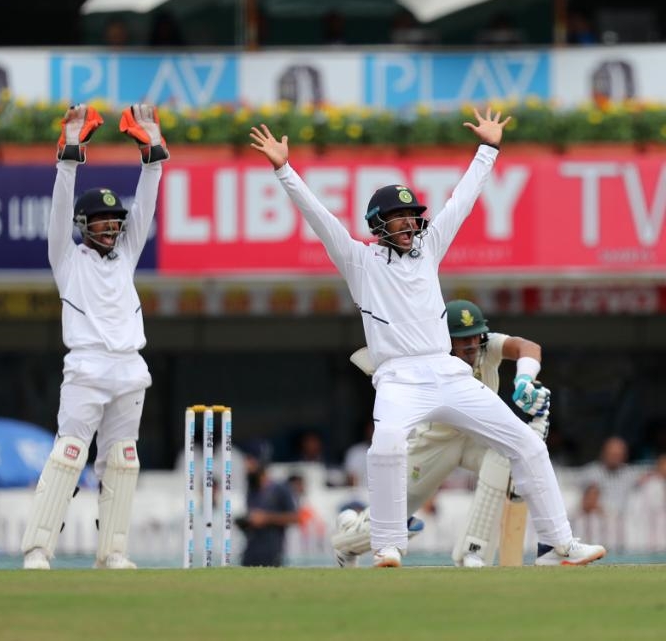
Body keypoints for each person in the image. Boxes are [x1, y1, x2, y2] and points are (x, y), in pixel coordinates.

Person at [248, 109, 605, 568]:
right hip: (398, 377)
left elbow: (463, 200)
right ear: (379, 225)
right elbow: (319, 218)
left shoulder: (429, 248)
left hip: (448, 372)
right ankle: (388, 544)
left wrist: (488, 149)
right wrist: (284, 169)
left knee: (527, 443)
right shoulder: (360, 263)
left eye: (412, 217)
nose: (409, 225)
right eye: (398, 219)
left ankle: (562, 543)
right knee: (387, 443)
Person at [20, 103, 167, 570]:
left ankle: (113, 554)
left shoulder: (126, 256)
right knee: (68, 454)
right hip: (85, 368)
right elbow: (61, 206)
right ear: (85, 227)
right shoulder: (66, 259)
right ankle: (39, 549)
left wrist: (154, 159)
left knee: (123, 461)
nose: (112, 229)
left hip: (129, 369)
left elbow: (145, 206)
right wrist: (68, 158)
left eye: (115, 223)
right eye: (102, 224)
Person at [335, 299, 558, 568]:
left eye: (473, 338)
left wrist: (525, 378)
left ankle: (473, 551)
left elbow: (528, 347)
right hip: (435, 444)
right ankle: (347, 540)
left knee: (507, 456)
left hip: (478, 441)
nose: (470, 347)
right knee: (394, 518)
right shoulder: (429, 355)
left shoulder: (488, 345)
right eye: (461, 340)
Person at [236, 456, 300, 567]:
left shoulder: (280, 489)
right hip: (251, 548)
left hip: (272, 549)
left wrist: (266, 518)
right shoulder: (252, 490)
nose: (247, 472)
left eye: (250, 468)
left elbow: (294, 517)